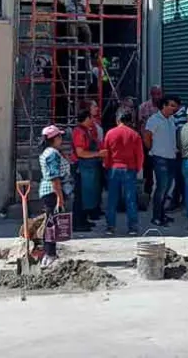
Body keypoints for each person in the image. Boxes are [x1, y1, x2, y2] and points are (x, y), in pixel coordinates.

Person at [103, 109, 144, 235]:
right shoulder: (134, 135)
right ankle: (132, 227)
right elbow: (140, 154)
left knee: (112, 199)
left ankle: (110, 227)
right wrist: (138, 168)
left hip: (114, 168)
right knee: (130, 199)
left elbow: (106, 152)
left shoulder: (110, 133)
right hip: (129, 169)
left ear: (118, 119)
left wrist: (107, 166)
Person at [38, 125, 72, 265]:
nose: (61, 139)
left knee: (51, 222)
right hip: (52, 191)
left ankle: (49, 253)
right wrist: (60, 198)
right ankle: (50, 254)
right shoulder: (52, 154)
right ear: (54, 138)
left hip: (49, 190)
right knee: (51, 223)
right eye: (59, 136)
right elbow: (55, 178)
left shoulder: (50, 152)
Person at [144, 96, 181, 227]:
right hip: (160, 158)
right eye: (171, 105)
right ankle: (156, 217)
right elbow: (147, 137)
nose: (174, 108)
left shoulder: (171, 119)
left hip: (171, 158)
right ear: (164, 106)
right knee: (161, 188)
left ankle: (162, 214)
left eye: (175, 106)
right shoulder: (154, 120)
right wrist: (153, 149)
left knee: (167, 188)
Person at [71, 111, 107, 230]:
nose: (93, 120)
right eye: (91, 118)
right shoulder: (79, 132)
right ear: (86, 118)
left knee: (88, 196)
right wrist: (98, 153)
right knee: (80, 196)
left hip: (90, 168)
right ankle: (78, 223)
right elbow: (80, 152)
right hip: (81, 167)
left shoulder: (88, 131)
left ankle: (84, 219)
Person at [139, 86, 164, 196]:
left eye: (159, 94)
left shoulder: (164, 107)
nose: (157, 96)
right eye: (155, 94)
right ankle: (147, 192)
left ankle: (162, 191)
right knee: (148, 168)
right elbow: (140, 125)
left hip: (161, 143)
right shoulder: (144, 107)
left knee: (162, 169)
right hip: (147, 142)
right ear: (151, 94)